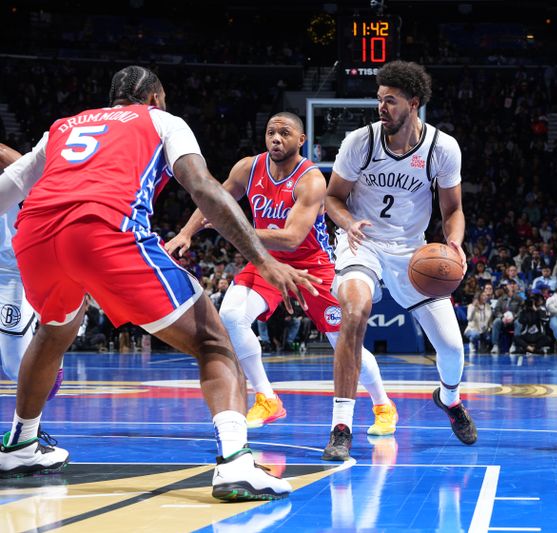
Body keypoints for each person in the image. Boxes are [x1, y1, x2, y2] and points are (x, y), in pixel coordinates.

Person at [0, 66, 321, 501]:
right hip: (103, 231)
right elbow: (204, 188)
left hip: (34, 237)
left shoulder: (63, 126)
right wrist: (262, 260)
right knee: (214, 341)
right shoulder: (162, 120)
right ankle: (236, 464)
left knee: (55, 330)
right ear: (154, 97)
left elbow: (12, 186)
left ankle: (20, 444)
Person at [167, 112, 396, 434]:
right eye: (271, 132)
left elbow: (292, 238)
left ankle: (383, 405)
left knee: (343, 340)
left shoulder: (312, 179)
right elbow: (212, 200)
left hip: (313, 265)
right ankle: (266, 396)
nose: (276, 138)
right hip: (266, 260)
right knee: (232, 316)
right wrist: (186, 233)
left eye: (284, 133)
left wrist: (233, 228)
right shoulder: (248, 167)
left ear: (301, 140)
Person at [324, 60, 477, 460]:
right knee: (355, 311)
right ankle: (342, 426)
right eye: (379, 100)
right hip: (363, 244)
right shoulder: (360, 141)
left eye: (390, 101)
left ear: (413, 103)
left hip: (413, 253)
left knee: (451, 347)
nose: (381, 107)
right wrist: (348, 221)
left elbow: (454, 209)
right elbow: (332, 197)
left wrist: (454, 243)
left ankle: (450, 398)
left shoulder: (442, 148)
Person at [0, 144, 62, 400]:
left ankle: (26, 432)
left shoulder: (11, 167)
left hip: (9, 272)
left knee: (16, 364)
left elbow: (3, 152)